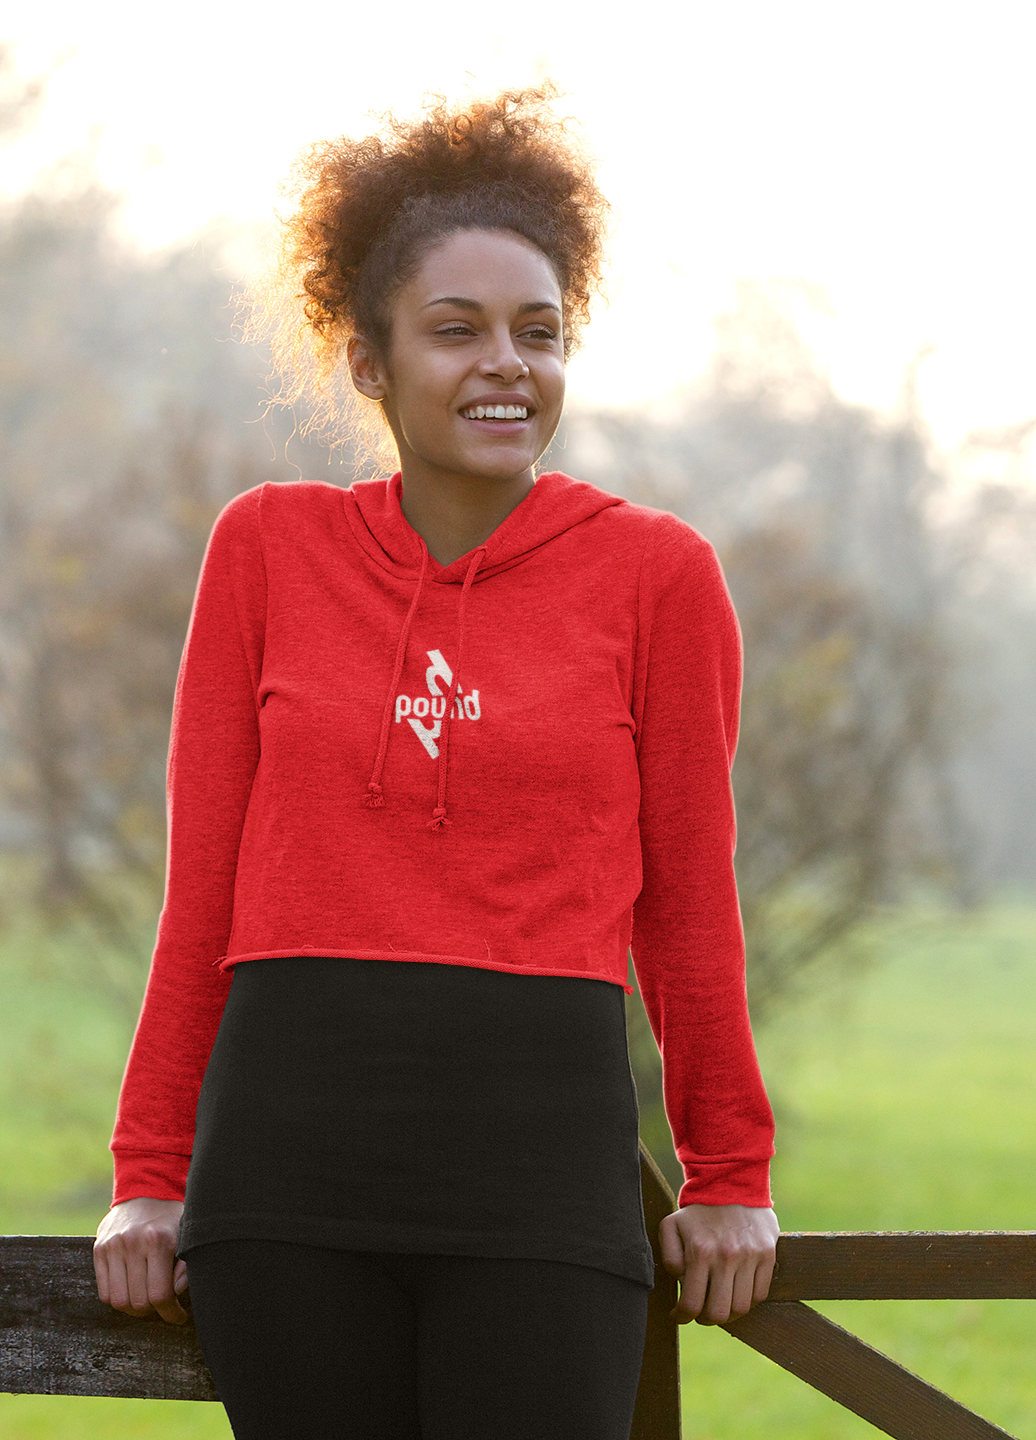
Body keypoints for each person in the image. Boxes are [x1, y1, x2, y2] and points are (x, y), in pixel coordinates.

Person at [92, 83, 779, 1439]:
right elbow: (205, 892)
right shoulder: (267, 551)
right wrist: (148, 1168)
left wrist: (729, 1169)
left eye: (540, 333)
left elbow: (691, 907)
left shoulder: (659, 577)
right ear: (368, 359)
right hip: (288, 1162)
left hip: (542, 1161)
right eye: (455, 331)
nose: (504, 365)